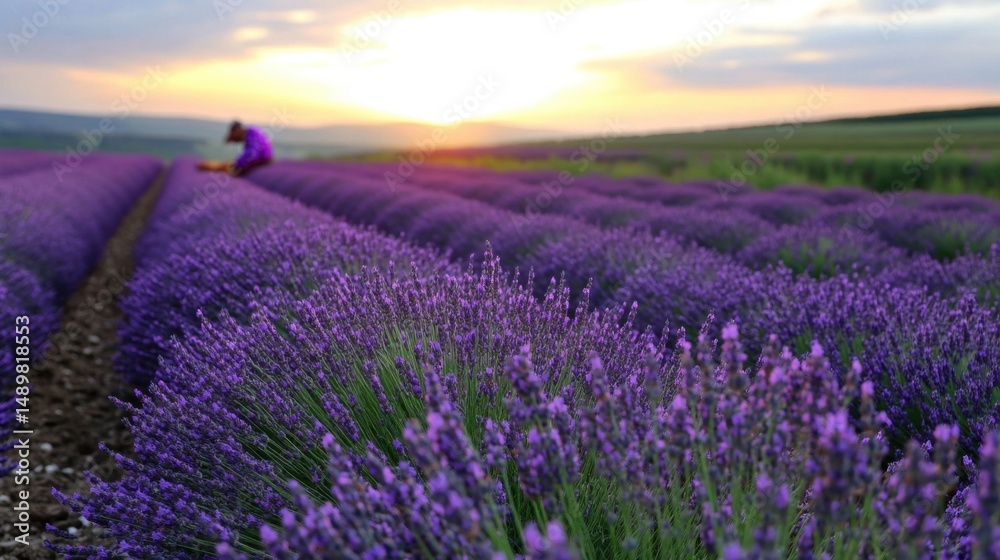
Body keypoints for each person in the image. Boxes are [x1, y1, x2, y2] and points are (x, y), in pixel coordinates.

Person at [197, 121, 273, 176]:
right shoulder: (251, 132)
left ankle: (207, 168)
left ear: (237, 131)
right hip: (260, 161)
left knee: (224, 169)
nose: (236, 141)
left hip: (261, 162)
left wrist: (237, 164)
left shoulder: (251, 133)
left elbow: (252, 154)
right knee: (224, 166)